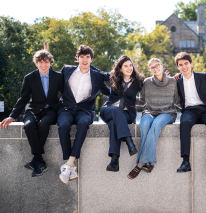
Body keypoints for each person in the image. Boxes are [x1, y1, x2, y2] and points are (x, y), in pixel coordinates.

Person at [0, 49, 64, 177]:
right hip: (33, 109)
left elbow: (65, 95)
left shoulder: (58, 77)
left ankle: (36, 160)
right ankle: (40, 160)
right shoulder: (29, 78)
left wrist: (66, 111)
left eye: (46, 62)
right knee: (29, 125)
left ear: (50, 63)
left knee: (44, 124)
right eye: (40, 62)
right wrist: (12, 116)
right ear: (36, 63)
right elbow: (23, 99)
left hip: (51, 111)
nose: (43, 65)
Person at [57, 45, 110, 184]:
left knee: (83, 124)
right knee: (62, 126)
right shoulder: (66, 70)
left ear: (91, 59)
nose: (85, 60)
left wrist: (125, 94)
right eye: (82, 57)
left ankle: (68, 164)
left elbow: (109, 89)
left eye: (87, 57)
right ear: (77, 58)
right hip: (66, 108)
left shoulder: (97, 76)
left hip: (84, 110)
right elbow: (52, 80)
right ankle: (71, 167)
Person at [127, 58, 180, 179]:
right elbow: (141, 101)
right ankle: (149, 163)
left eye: (157, 66)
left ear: (162, 66)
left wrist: (193, 109)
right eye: (152, 67)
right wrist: (126, 98)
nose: (155, 69)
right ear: (150, 69)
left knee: (156, 125)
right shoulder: (147, 82)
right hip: (150, 112)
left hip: (168, 113)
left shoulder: (172, 81)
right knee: (144, 124)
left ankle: (140, 164)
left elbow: (177, 100)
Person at [174, 52, 206, 182]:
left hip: (205, 109)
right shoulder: (177, 81)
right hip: (189, 111)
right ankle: (185, 161)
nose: (184, 67)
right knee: (184, 123)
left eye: (186, 64)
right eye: (180, 65)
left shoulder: (202, 77)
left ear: (191, 64)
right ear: (178, 67)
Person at [99, 55, 144, 172]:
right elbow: (97, 73)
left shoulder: (138, 81)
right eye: (126, 66)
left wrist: (166, 78)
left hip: (126, 114)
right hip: (108, 110)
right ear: (120, 69)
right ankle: (129, 141)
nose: (129, 68)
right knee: (115, 111)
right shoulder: (113, 77)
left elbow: (151, 86)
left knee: (114, 123)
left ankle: (114, 160)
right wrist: (84, 62)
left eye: (130, 65)